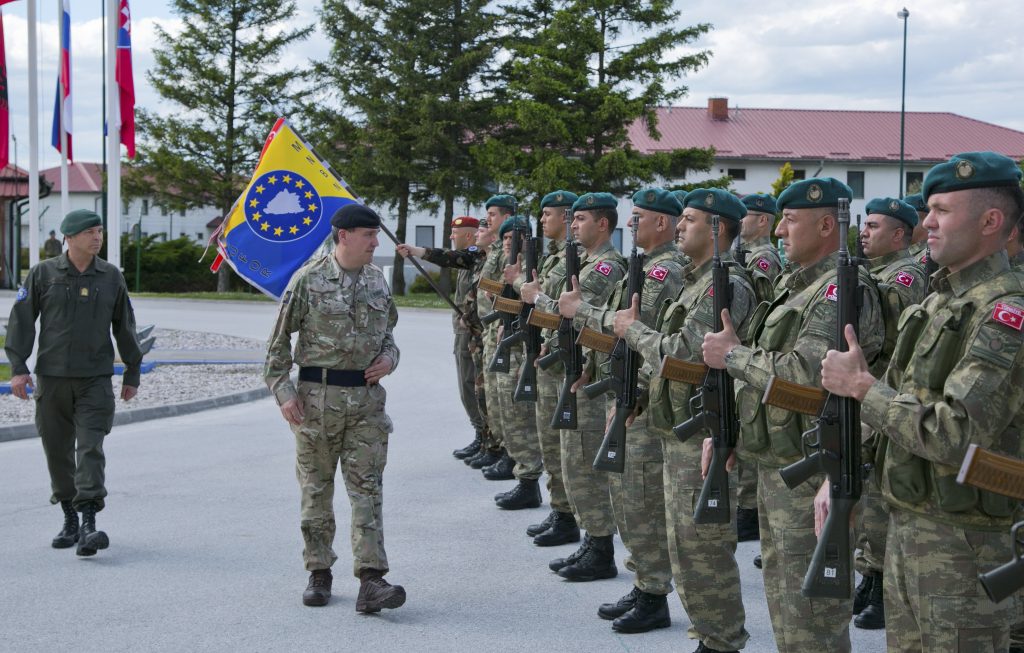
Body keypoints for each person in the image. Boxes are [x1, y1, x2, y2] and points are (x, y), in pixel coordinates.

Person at [820, 151, 1024, 652]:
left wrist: (862, 388)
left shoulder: (1004, 314)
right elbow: (898, 400)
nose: (926, 223)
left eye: (942, 210)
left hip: (965, 541)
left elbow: (952, 433)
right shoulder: (939, 302)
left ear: (991, 221)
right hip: (908, 524)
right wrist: (838, 472)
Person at [702, 177, 885, 652]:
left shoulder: (836, 292)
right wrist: (731, 434)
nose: (779, 231)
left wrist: (733, 356)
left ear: (827, 225)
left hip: (811, 465)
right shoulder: (795, 286)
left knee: (810, 616)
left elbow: (803, 375)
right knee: (785, 599)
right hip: (778, 462)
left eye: (791, 220)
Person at [616, 188, 755, 653]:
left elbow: (684, 356)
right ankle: (710, 638)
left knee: (703, 548)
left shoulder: (726, 284)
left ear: (717, 229)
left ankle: (721, 642)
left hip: (702, 430)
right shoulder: (698, 281)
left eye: (690, 219)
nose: (679, 226)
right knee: (684, 545)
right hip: (680, 429)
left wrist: (632, 331)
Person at [264, 202, 406, 612]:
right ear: (344, 236)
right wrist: (284, 393)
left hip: (366, 404)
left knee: (368, 490)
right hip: (316, 402)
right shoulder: (308, 280)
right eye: (368, 236)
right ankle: (319, 571)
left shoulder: (378, 281)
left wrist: (390, 361)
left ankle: (372, 580)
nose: (375, 243)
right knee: (316, 489)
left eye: (375, 235)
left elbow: (390, 337)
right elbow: (276, 348)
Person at [569, 187, 687, 634]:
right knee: (627, 496)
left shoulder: (665, 271)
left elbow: (640, 334)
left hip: (644, 402)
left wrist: (632, 393)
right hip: (627, 395)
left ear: (663, 222)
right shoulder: (644, 267)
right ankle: (645, 584)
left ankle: (654, 592)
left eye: (639, 217)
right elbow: (620, 333)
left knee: (640, 498)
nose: (631, 224)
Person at [5, 209, 143, 557]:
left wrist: (132, 371)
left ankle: (89, 524)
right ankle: (69, 517)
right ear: (69, 237)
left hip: (95, 380)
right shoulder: (43, 273)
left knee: (91, 449)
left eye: (99, 231)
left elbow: (124, 326)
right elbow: (21, 322)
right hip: (51, 380)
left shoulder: (111, 276)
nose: (97, 237)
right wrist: (19, 367)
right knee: (57, 451)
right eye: (89, 232)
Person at [527, 192, 624, 580]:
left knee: (585, 462)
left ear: (603, 224)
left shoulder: (606, 268)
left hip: (589, 374)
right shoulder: (585, 263)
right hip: (574, 369)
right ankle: (589, 537)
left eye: (581, 219)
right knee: (573, 459)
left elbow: (579, 314)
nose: (574, 225)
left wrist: (539, 299)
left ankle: (600, 546)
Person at [850, 196, 928, 630]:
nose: (864, 232)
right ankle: (870, 574)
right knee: (869, 492)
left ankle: (879, 582)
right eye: (865, 225)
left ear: (899, 234)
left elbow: (896, 347)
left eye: (874, 226)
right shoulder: (871, 274)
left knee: (880, 494)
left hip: (887, 397)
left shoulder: (905, 277)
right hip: (868, 397)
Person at [508, 190, 581, 543]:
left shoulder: (582, 261)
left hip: (567, 365)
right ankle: (560, 511)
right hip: (549, 360)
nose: (542, 220)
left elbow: (570, 315)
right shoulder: (554, 258)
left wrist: (535, 297)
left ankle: (574, 522)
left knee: (566, 449)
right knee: (551, 445)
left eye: (548, 214)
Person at [397, 216, 490, 459]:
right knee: (466, 385)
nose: (451, 236)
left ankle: (486, 437)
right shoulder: (471, 256)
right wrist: (415, 251)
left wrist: (417, 251)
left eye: (455, 232)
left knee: (473, 384)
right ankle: (481, 435)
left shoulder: (477, 255)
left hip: (473, 330)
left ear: (469, 236)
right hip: (463, 329)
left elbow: (449, 258)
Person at [735, 192, 783, 544]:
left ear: (763, 220)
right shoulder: (747, 256)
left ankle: (748, 510)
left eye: (748, 216)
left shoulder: (764, 259)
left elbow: (760, 312)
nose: (741, 222)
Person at [490, 214, 545, 508]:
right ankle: (524, 475)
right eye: (507, 239)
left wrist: (517, 279)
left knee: (523, 417)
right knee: (511, 413)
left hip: (529, 346)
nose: (511, 243)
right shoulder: (511, 266)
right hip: (513, 341)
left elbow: (538, 300)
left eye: (515, 238)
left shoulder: (535, 265)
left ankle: (529, 479)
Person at [465, 194, 516, 472]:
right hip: (487, 329)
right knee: (490, 397)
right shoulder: (494, 250)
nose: (487, 221)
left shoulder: (508, 248)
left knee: (504, 400)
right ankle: (493, 444)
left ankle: (508, 452)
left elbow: (509, 291)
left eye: (493, 215)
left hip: (501, 331)